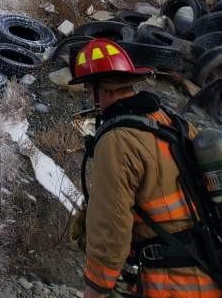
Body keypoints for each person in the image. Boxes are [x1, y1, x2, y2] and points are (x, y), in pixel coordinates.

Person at [70, 38, 222, 298]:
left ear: (102, 90)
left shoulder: (116, 141)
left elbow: (110, 228)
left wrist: (95, 288)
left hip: (172, 284)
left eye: (89, 89)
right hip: (208, 271)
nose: (88, 96)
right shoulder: (167, 120)